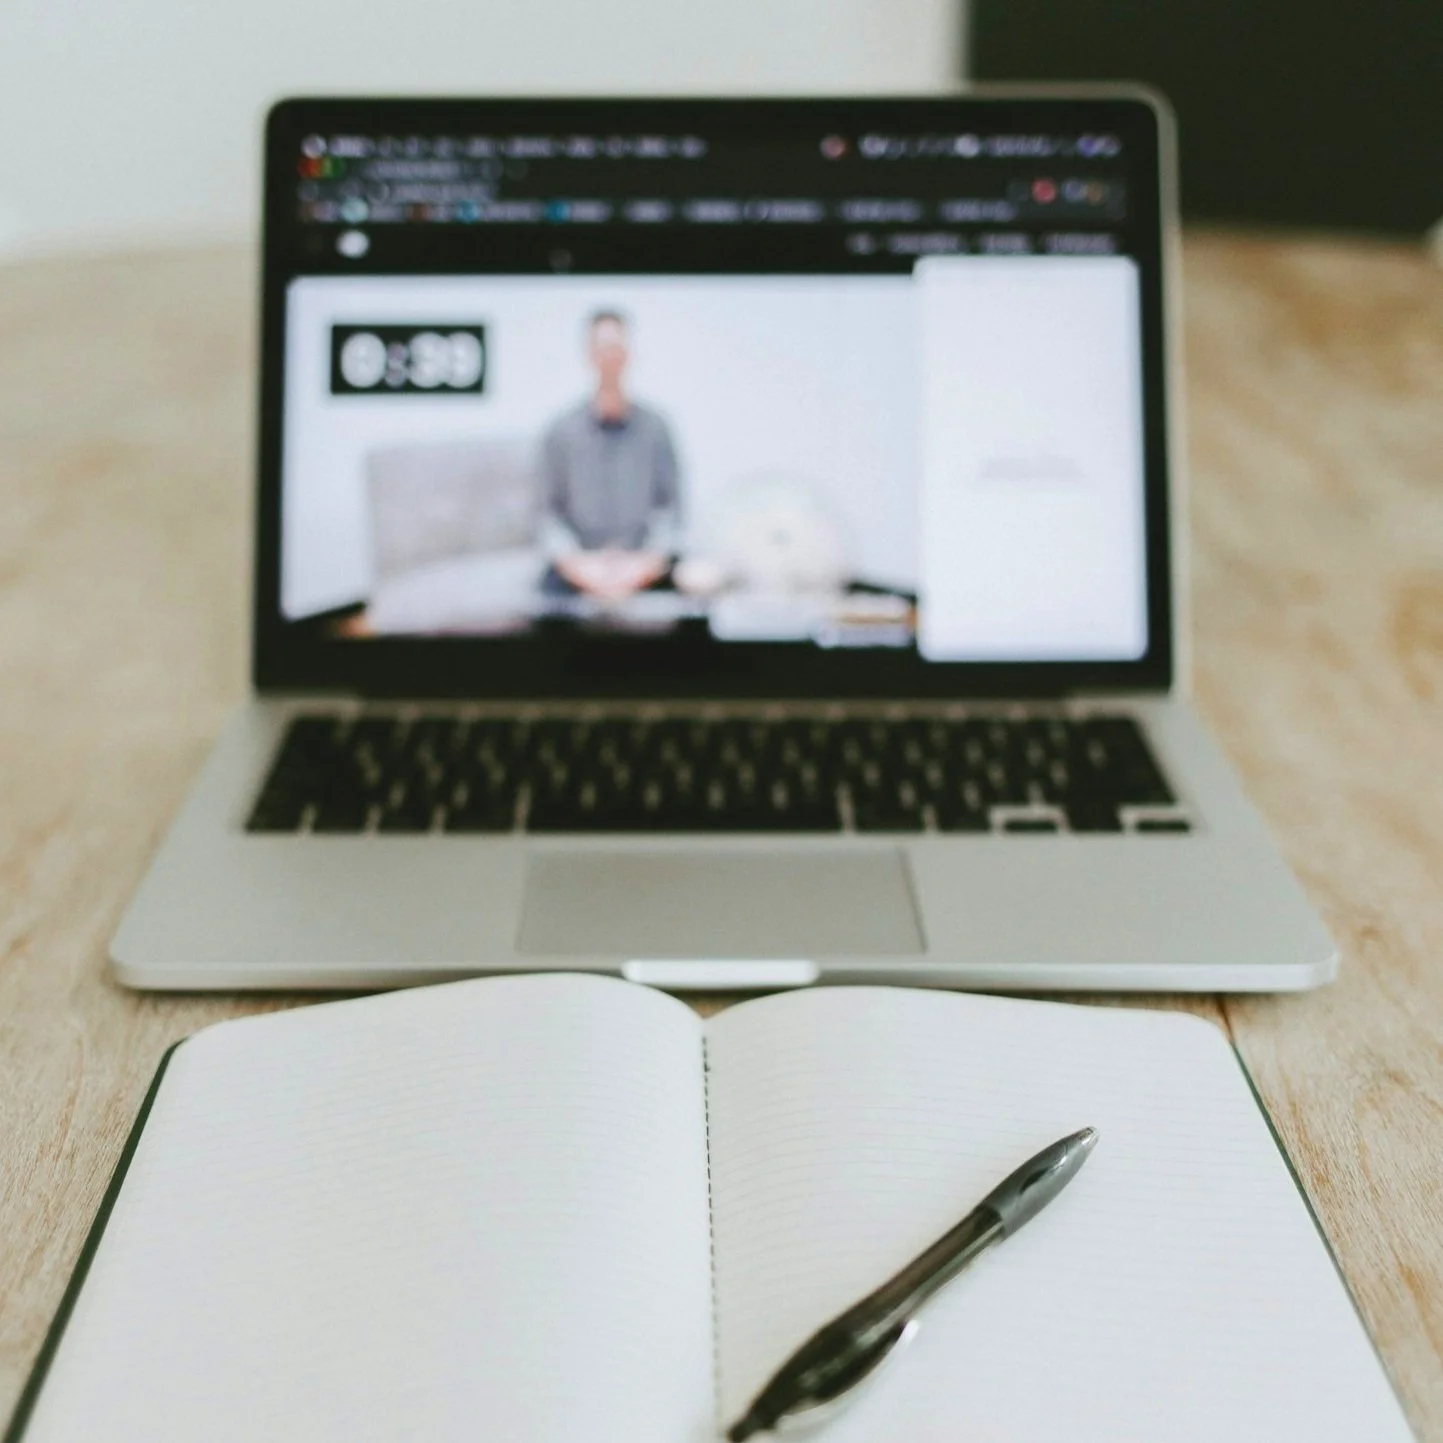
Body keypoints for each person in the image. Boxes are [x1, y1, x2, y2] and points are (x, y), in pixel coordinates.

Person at [539, 310, 681, 602]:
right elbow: (547, 514)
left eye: (616, 347)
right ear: (589, 355)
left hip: (642, 562)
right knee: (546, 597)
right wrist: (579, 565)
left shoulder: (656, 428)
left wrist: (645, 564)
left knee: (691, 598)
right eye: (602, 348)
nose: (610, 357)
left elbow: (672, 510)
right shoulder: (561, 432)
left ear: (629, 354)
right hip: (581, 564)